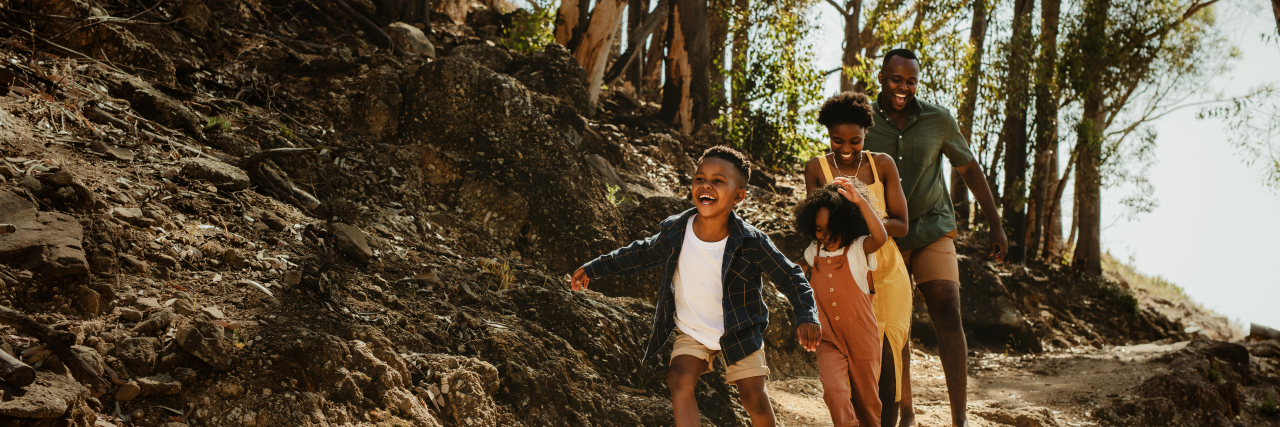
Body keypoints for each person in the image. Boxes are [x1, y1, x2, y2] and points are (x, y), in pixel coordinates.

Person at [570, 146, 823, 427]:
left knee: (753, 398)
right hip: (693, 331)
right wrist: (595, 267)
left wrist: (806, 314)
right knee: (678, 378)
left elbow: (791, 276)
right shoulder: (676, 231)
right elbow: (640, 253)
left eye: (718, 181)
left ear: (739, 196)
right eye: (700, 178)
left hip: (740, 331)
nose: (706, 185)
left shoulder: (752, 242)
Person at [862, 48, 1008, 427]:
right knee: (897, 326)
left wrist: (995, 223)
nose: (903, 88)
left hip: (931, 227)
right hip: (886, 235)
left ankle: (959, 417)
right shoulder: (863, 121)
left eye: (911, 81)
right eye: (896, 79)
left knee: (947, 307)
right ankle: (907, 412)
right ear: (881, 78)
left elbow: (969, 168)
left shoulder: (938, 120)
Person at [804, 91, 913, 427]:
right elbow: (815, 227)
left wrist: (860, 222)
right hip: (844, 275)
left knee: (889, 355)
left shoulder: (882, 164)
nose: (846, 148)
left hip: (886, 270)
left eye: (855, 140)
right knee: (853, 363)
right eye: (837, 140)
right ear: (828, 134)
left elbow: (901, 224)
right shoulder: (816, 168)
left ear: (866, 133)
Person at [794, 178, 888, 427]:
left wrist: (861, 202)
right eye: (819, 230)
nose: (826, 236)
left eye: (833, 229)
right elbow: (797, 266)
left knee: (867, 402)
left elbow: (880, 237)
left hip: (862, 340)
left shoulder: (858, 248)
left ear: (848, 222)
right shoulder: (815, 250)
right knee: (834, 390)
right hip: (828, 340)